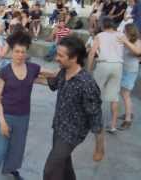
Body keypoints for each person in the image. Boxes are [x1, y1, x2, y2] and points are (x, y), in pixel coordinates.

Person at [0, 30, 54, 180]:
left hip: (23, 116)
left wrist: (66, 73)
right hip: (6, 115)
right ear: (12, 52)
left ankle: (11, 168)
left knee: (17, 147)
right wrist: (2, 121)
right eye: (17, 51)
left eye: (23, 52)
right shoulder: (4, 72)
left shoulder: (32, 68)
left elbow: (51, 74)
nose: (19, 55)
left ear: (26, 52)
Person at [43, 35, 104, 180]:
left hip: (73, 133)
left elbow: (96, 120)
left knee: (50, 171)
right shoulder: (64, 71)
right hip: (59, 126)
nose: (56, 58)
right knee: (64, 166)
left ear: (74, 57)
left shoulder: (86, 84)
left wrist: (99, 149)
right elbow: (53, 84)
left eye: (61, 55)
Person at [87, 17, 125, 133]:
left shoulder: (100, 36)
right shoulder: (120, 35)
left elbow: (92, 53)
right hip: (118, 65)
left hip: (104, 64)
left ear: (103, 25)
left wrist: (88, 70)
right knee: (114, 97)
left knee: (95, 94)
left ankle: (94, 123)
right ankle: (113, 125)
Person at [117, 23, 141, 130]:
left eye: (125, 32)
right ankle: (129, 113)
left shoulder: (138, 42)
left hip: (130, 71)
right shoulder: (126, 41)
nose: (123, 33)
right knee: (124, 94)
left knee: (125, 94)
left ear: (130, 33)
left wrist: (125, 42)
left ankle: (128, 119)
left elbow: (138, 52)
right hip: (123, 69)